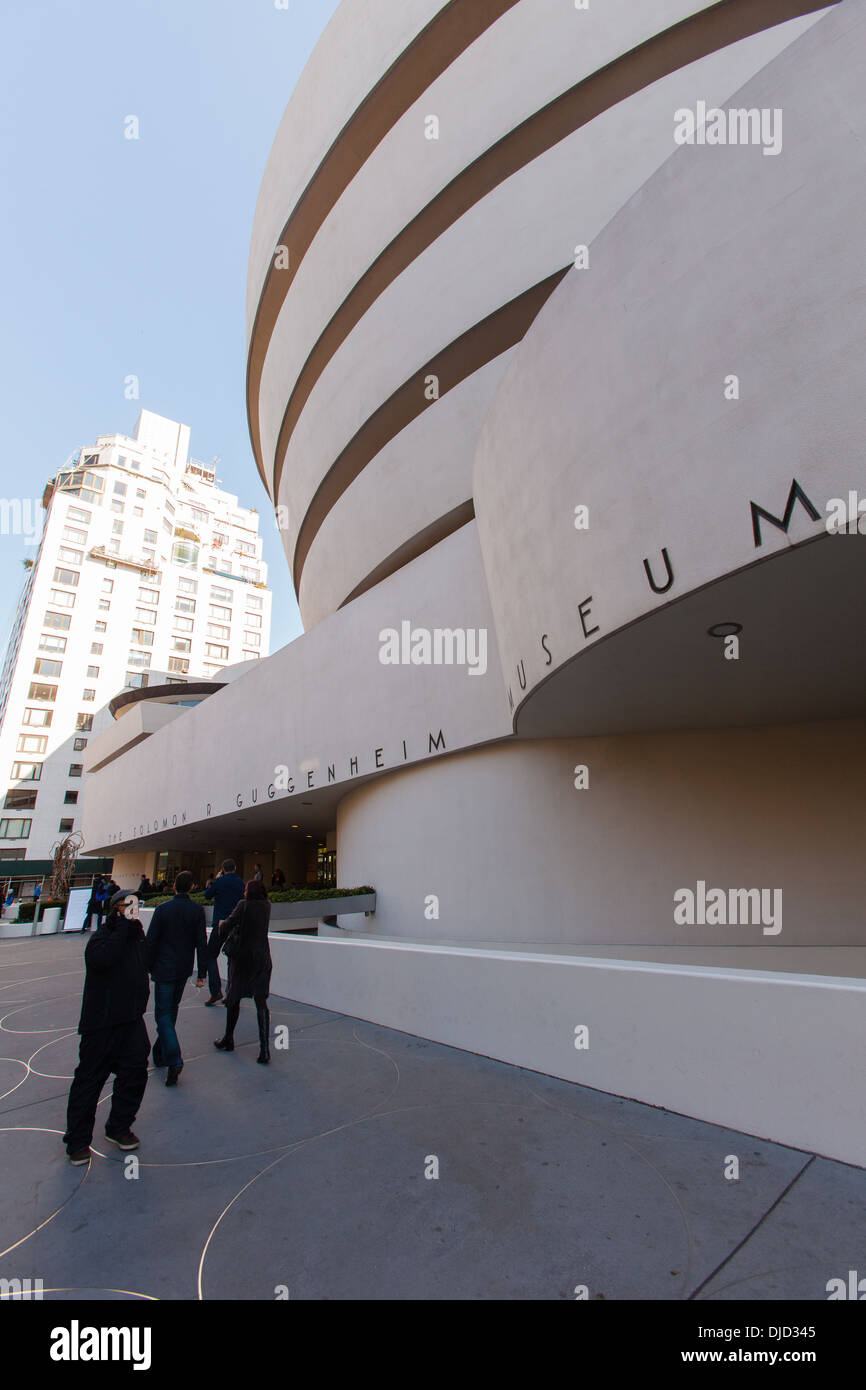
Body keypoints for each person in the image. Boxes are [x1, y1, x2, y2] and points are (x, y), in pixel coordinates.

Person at [63, 890, 150, 1164]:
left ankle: (119, 1126)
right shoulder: (101, 939)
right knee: (89, 1081)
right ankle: (77, 1141)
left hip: (131, 1020)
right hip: (101, 1023)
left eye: (137, 906)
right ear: (116, 910)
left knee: (136, 1071)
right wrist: (122, 925)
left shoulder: (137, 938)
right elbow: (105, 959)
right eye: (129, 906)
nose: (134, 911)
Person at [143, 870, 207, 1086]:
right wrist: (202, 973)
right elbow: (201, 943)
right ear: (192, 888)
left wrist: (147, 966)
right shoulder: (197, 910)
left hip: (163, 968)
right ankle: (160, 1052)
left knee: (163, 1014)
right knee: (171, 1011)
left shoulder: (163, 910)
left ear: (173, 887)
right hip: (182, 969)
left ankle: (174, 1058)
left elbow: (151, 941)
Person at [213, 879, 273, 1064]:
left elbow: (227, 925)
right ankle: (264, 1049)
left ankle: (228, 1038)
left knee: (233, 998)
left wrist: (222, 923)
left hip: (243, 959)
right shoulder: (267, 906)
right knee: (260, 1002)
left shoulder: (243, 905)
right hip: (262, 958)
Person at [203, 859, 245, 1006]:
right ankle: (231, 993)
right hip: (235, 925)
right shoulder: (241, 882)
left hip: (221, 924)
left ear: (223, 869)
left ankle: (215, 991)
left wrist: (216, 881)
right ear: (235, 868)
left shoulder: (219, 882)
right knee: (232, 958)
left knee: (210, 955)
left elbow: (207, 895)